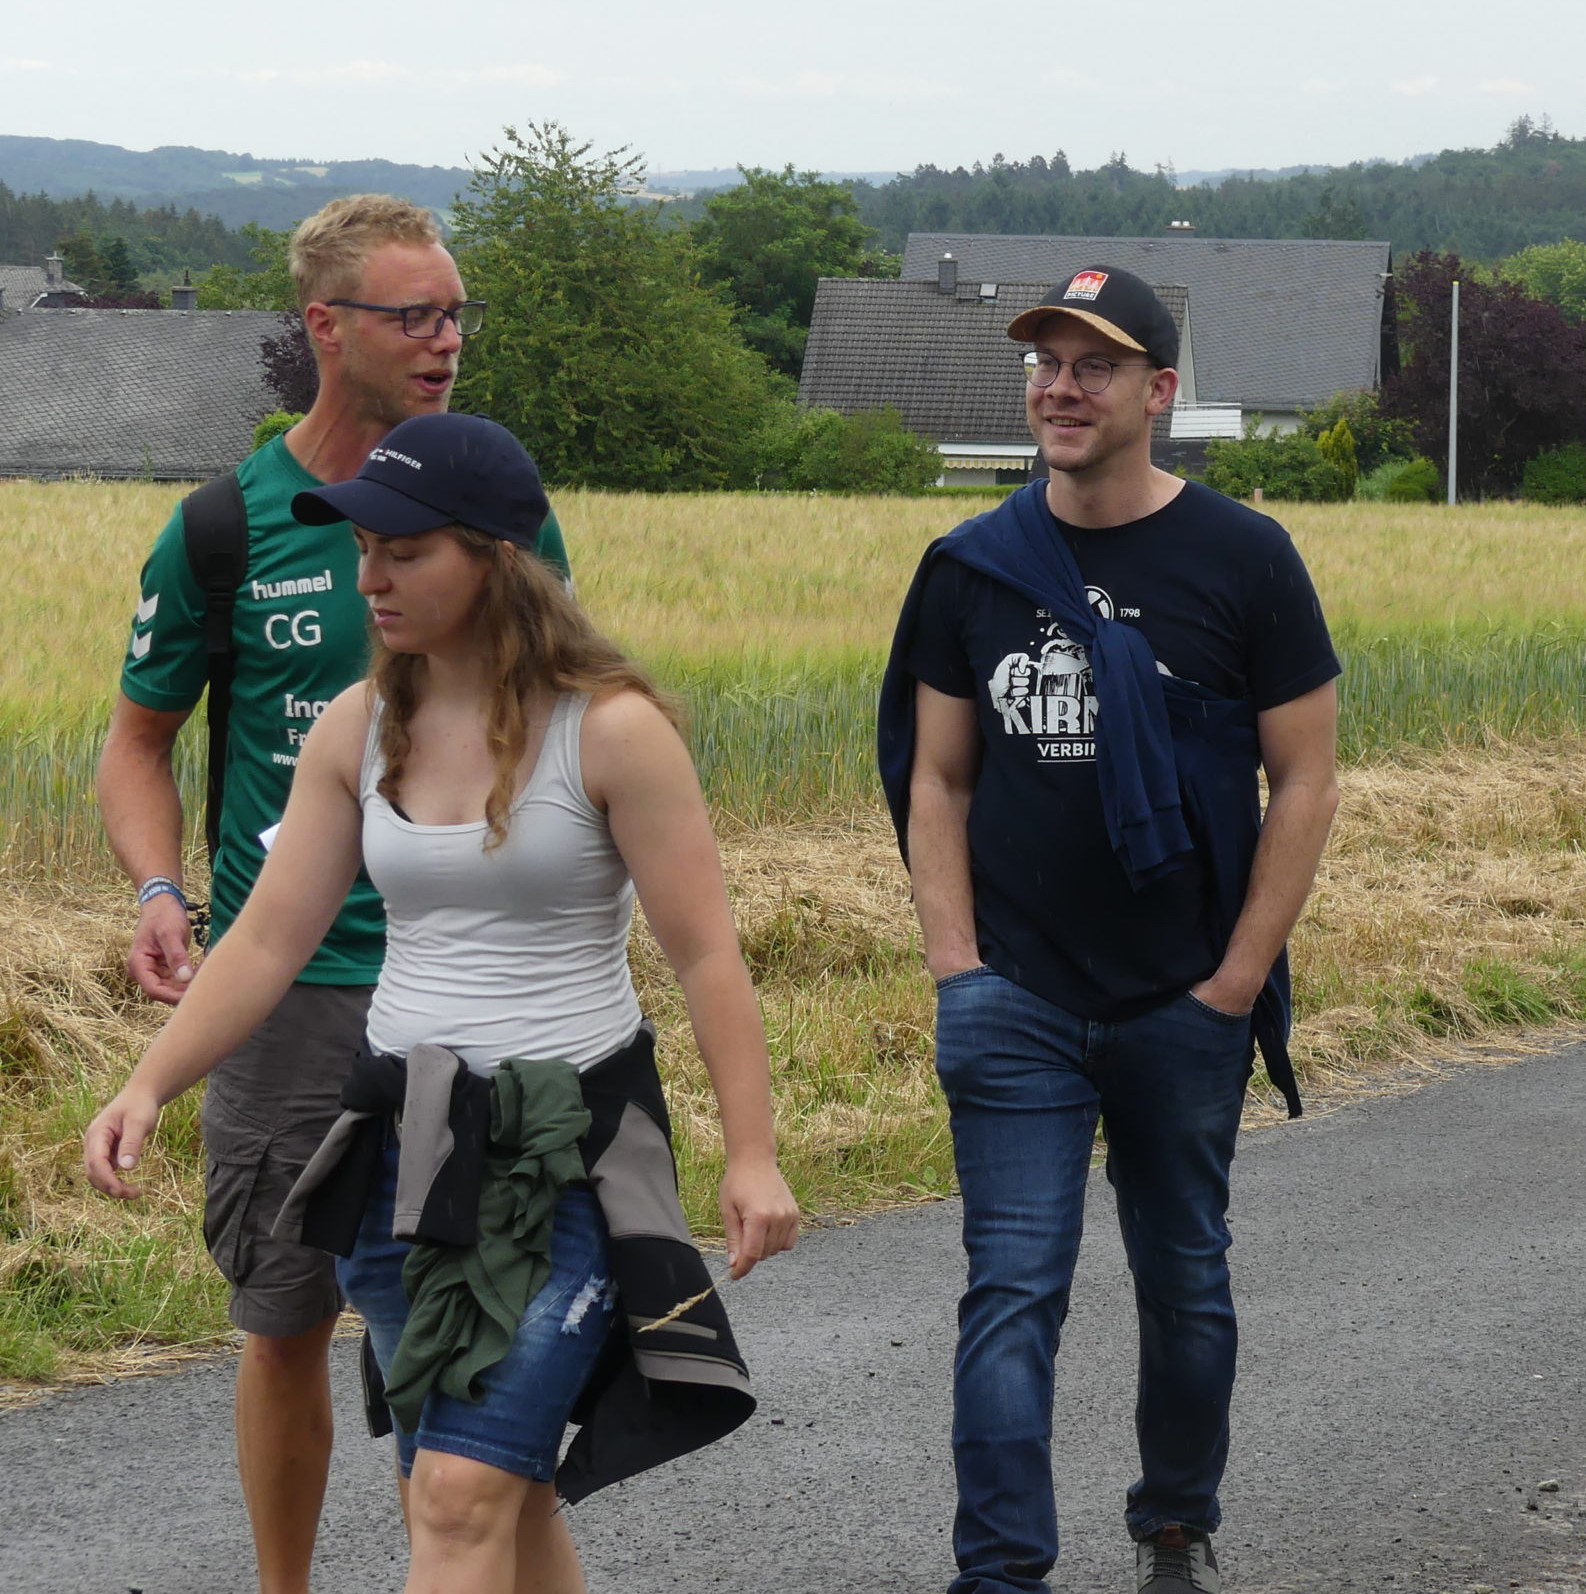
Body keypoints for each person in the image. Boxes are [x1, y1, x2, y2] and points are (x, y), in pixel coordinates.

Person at [87, 412, 798, 1593]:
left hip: (566, 1155)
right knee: (481, 1483)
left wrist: (752, 1153)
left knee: (459, 1494)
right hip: (403, 1150)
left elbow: (707, 957)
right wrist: (148, 1084)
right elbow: (268, 939)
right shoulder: (357, 729)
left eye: (405, 552)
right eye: (363, 549)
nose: (370, 578)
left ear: (496, 558)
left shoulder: (612, 732)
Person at [98, 194, 569, 1594]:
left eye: (456, 313)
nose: (446, 341)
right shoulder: (222, 528)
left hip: (460, 987)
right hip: (287, 991)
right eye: (413, 315)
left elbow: (559, 716)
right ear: (325, 326)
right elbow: (137, 741)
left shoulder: (501, 511)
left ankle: (461, 1553)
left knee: (466, 1331)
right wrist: (160, 887)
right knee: (284, 1317)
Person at [877, 266, 1343, 1594]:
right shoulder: (971, 569)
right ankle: (1001, 1573)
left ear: (1160, 391)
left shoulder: (1244, 558)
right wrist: (958, 969)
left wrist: (1235, 980)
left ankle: (1174, 1524)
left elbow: (1306, 779)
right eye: (1045, 363)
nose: (1061, 388)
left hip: (1182, 997)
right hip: (1015, 996)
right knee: (1011, 1292)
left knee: (1184, 1284)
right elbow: (937, 778)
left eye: (1094, 365)